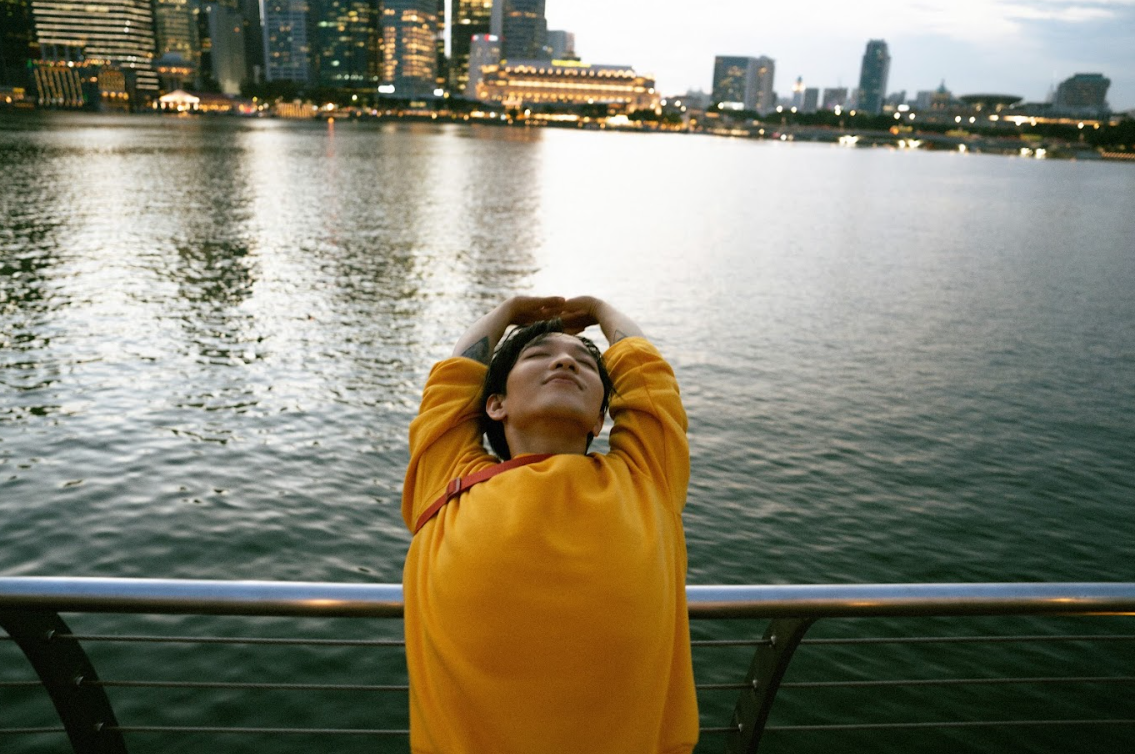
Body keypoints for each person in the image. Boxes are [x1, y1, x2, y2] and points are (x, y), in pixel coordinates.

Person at [401, 295, 698, 754]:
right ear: (495, 404)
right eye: (539, 355)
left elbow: (648, 380)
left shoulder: (646, 479)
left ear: (602, 418)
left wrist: (601, 310)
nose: (564, 360)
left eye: (584, 363)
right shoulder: (448, 482)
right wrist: (508, 312)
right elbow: (452, 385)